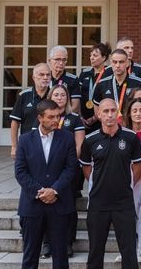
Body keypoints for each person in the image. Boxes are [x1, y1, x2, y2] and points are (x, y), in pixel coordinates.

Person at [79, 98, 141, 269]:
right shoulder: (90, 140)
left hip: (124, 203)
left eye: (113, 111)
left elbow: (138, 166)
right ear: (99, 115)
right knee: (95, 252)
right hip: (98, 204)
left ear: (118, 113)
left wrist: (127, 183)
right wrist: (99, 183)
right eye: (105, 111)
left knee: (129, 252)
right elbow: (86, 169)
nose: (109, 115)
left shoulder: (130, 137)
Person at [14, 99, 78, 269]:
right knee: (30, 256)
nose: (55, 120)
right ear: (40, 118)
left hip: (60, 205)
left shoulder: (67, 138)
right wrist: (41, 191)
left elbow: (71, 169)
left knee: (61, 257)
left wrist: (54, 190)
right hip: (32, 205)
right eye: (50, 117)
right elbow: (20, 172)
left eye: (57, 116)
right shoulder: (25, 140)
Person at [41, 84, 85, 258]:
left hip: (68, 170)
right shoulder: (45, 118)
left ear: (67, 99)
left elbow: (79, 145)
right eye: (56, 94)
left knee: (68, 207)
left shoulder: (74, 119)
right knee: (44, 206)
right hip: (47, 170)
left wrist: (69, 165)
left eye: (63, 95)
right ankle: (47, 243)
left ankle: (67, 243)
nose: (60, 97)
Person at [123, 97, 141, 262]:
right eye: (134, 110)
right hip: (129, 178)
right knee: (128, 216)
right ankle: (127, 249)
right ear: (129, 113)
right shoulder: (123, 132)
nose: (138, 113)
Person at [10, 63, 51, 158]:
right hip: (28, 144)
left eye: (48, 75)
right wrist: (14, 146)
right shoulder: (23, 95)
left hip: (50, 143)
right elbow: (15, 122)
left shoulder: (54, 95)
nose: (45, 77)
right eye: (41, 74)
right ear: (34, 77)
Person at [93, 49, 141, 116]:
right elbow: (97, 112)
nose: (117, 65)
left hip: (131, 125)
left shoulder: (138, 83)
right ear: (111, 63)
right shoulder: (101, 84)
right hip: (109, 124)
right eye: (114, 62)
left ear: (127, 63)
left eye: (121, 62)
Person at [79, 43, 111, 131]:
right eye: (91, 55)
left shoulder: (109, 74)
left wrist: (94, 118)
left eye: (95, 55)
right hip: (83, 119)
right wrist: (80, 117)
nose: (91, 58)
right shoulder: (84, 73)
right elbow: (78, 95)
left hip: (101, 120)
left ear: (104, 58)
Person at [47, 45, 81, 112]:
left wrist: (60, 116)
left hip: (65, 118)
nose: (61, 63)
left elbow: (75, 106)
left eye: (64, 60)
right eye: (57, 59)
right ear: (49, 60)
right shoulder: (45, 77)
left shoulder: (73, 79)